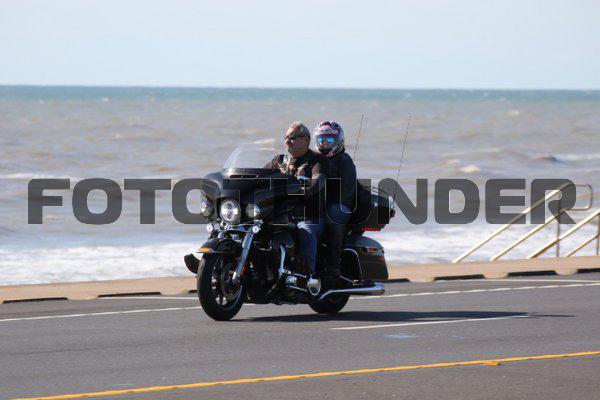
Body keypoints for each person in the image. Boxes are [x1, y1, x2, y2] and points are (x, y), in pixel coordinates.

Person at [265, 122, 326, 276]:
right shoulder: (279, 161)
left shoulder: (317, 161)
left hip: (308, 216)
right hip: (280, 214)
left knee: (305, 230)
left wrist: (305, 189)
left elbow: (317, 182)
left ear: (305, 140)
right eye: (286, 137)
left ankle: (306, 275)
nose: (287, 141)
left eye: (292, 137)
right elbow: (259, 177)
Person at [313, 121, 357, 280]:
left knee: (333, 214)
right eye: (321, 140)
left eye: (330, 140)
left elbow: (346, 190)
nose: (324, 143)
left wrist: (323, 203)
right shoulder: (314, 159)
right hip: (319, 203)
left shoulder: (344, 160)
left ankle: (333, 266)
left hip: (341, 204)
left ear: (338, 140)